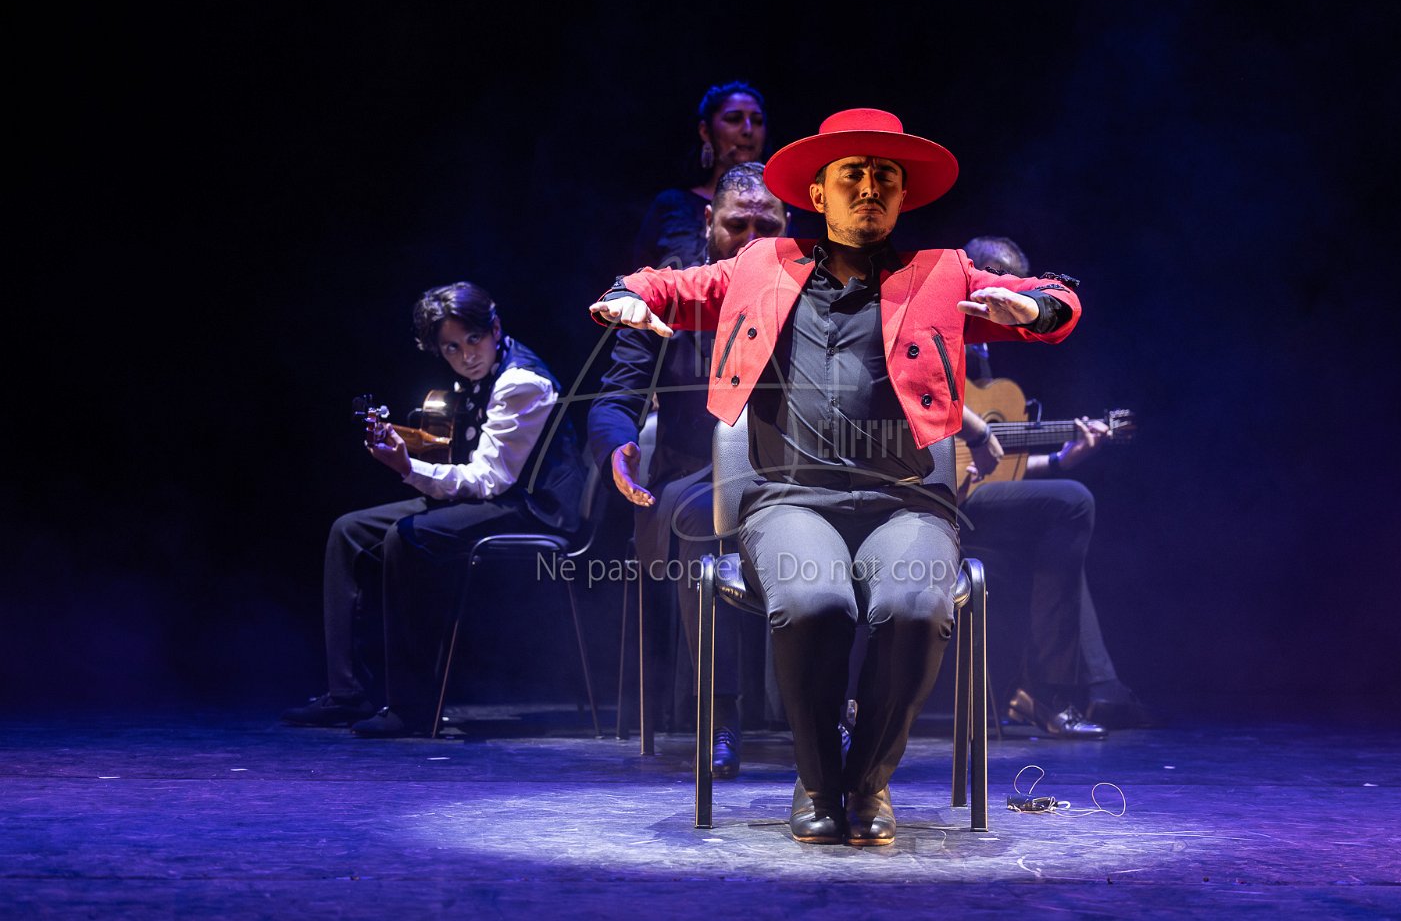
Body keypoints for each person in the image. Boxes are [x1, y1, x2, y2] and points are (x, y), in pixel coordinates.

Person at [590, 108, 1083, 846]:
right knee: (813, 602)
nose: (870, 189)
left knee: (915, 609)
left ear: (903, 196)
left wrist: (1034, 306)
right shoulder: (761, 267)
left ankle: (867, 781)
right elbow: (672, 285)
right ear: (818, 194)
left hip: (906, 501)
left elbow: (1061, 300)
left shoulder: (940, 274)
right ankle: (820, 781)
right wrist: (633, 294)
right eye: (852, 175)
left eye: (885, 177)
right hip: (790, 498)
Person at [281, 282, 585, 738]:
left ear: (495, 328)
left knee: (408, 536)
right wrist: (407, 446)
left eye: (474, 340)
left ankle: (412, 706)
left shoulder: (521, 382)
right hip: (495, 497)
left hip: (533, 507)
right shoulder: (478, 376)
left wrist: (408, 467)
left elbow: (489, 479)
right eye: (451, 348)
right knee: (349, 531)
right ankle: (347, 693)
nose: (467, 356)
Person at [589, 162, 789, 779]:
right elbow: (615, 397)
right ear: (708, 222)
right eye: (737, 224)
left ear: (789, 225)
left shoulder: (808, 290)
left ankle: (839, 714)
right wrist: (618, 445)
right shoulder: (673, 293)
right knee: (708, 517)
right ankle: (720, 717)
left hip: (789, 476)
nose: (751, 239)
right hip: (694, 476)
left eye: (766, 225)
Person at [958, 236, 1158, 737]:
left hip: (972, 494)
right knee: (1070, 507)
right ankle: (1064, 692)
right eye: (994, 271)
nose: (1004, 284)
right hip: (931, 493)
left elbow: (995, 462)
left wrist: (1061, 458)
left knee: (1061, 535)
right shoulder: (940, 325)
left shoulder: (989, 355)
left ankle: (1057, 693)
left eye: (1013, 277)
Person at [628, 82, 769, 272]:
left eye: (758, 121)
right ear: (705, 131)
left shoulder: (779, 208)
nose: (748, 130)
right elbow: (640, 273)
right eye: (734, 119)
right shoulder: (674, 204)